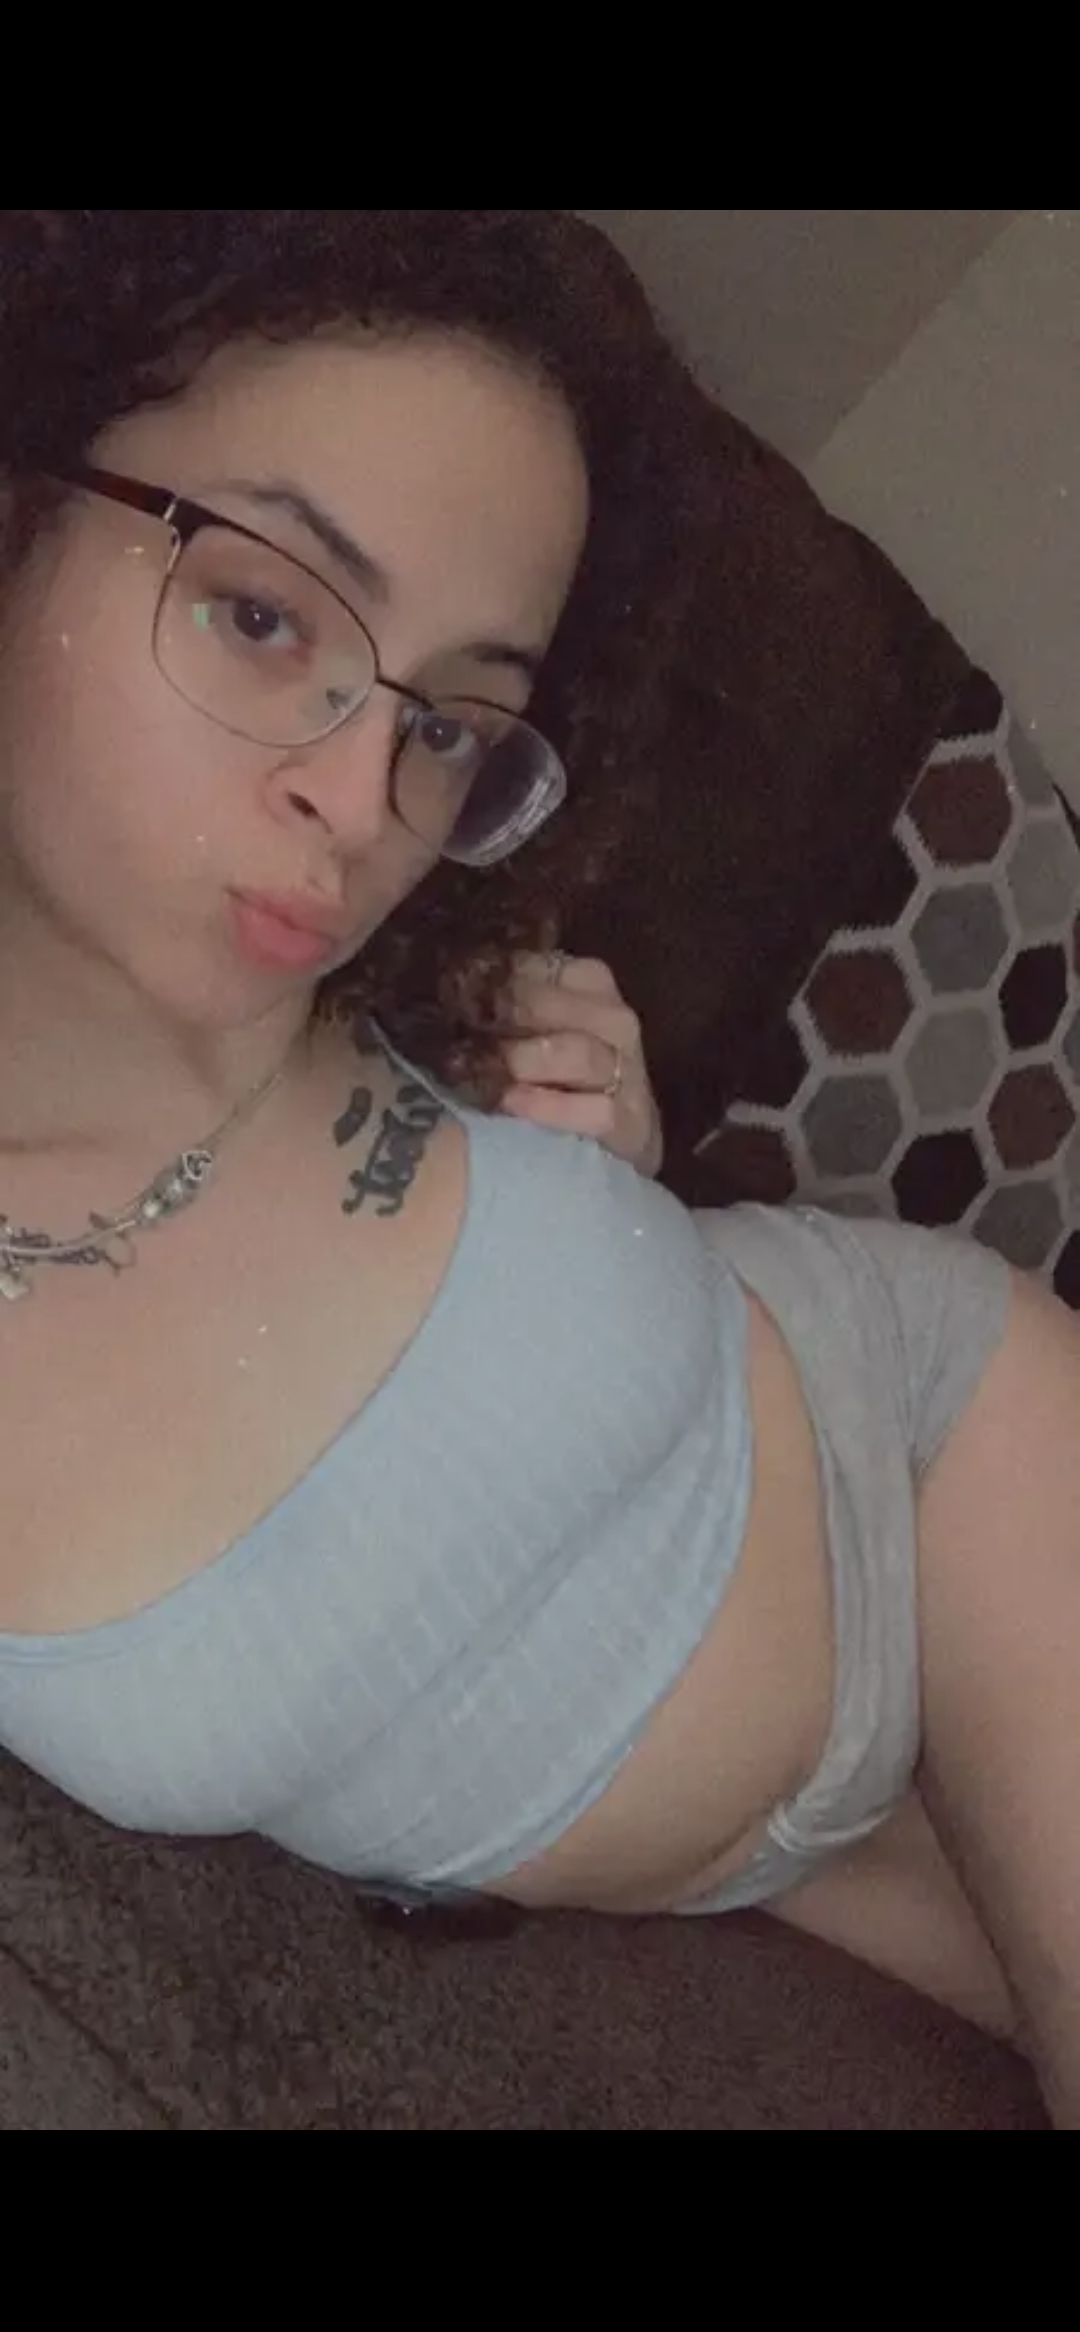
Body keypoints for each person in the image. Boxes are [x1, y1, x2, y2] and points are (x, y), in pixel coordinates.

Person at [1, 210, 1078, 2128]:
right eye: (266, 615)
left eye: (446, 723)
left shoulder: (431, 1007)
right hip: (777, 1860)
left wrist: (603, 1181)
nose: (361, 798)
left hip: (934, 1470)